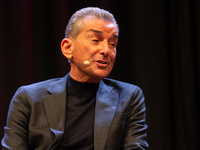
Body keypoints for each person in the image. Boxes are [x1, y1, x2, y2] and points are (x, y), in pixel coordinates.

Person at [1, 7, 148, 150]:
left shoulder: (129, 96)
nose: (106, 50)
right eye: (96, 40)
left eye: (112, 43)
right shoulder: (28, 98)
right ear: (67, 48)